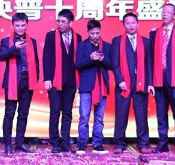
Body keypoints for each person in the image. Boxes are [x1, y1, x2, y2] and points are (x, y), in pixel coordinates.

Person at [148, 3, 175, 155]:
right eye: (163, 11)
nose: (164, 14)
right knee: (161, 113)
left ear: (174, 15)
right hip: (159, 77)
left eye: (168, 12)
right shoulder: (155, 33)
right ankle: (162, 143)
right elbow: (150, 59)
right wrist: (150, 81)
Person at [0, 12, 40, 154]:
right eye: (17, 25)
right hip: (12, 82)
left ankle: (20, 144)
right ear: (13, 25)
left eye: (23, 25)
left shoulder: (32, 41)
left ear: (27, 24)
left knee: (23, 114)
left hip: (28, 81)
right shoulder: (6, 41)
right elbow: (1, 57)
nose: (20, 28)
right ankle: (7, 145)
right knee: (9, 114)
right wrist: (15, 47)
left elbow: (36, 62)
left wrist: (36, 77)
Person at [112, 12, 152, 154]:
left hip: (141, 82)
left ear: (137, 24)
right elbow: (115, 63)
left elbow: (149, 64)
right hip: (124, 83)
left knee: (141, 115)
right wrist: (120, 80)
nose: (131, 25)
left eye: (133, 22)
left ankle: (143, 143)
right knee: (121, 114)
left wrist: (150, 83)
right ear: (124, 25)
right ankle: (119, 143)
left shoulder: (146, 42)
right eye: (127, 23)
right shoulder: (117, 41)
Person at [43, 9, 82, 153]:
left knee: (67, 113)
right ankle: (54, 142)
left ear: (70, 23)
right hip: (54, 80)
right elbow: (46, 58)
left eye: (63, 21)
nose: (60, 24)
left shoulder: (78, 37)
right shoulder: (51, 36)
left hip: (70, 80)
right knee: (55, 111)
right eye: (58, 21)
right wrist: (47, 78)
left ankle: (65, 141)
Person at [75, 19, 112, 153]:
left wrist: (103, 59)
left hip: (102, 85)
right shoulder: (82, 45)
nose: (95, 36)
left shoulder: (107, 46)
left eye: (97, 33)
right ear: (88, 32)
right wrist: (90, 58)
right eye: (92, 33)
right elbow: (78, 64)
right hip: (86, 86)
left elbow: (112, 65)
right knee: (84, 117)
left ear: (100, 31)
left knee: (99, 118)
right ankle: (82, 143)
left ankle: (97, 143)